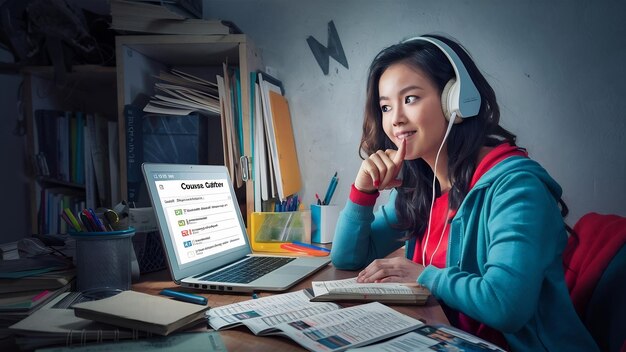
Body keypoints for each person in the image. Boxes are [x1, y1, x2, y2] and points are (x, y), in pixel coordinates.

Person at [330, 34, 599, 352]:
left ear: (455, 99)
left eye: (411, 99)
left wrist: (423, 274)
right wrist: (363, 191)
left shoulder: (515, 187)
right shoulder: (421, 188)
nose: (396, 119)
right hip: (445, 337)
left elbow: (505, 306)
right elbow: (348, 258)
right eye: (386, 107)